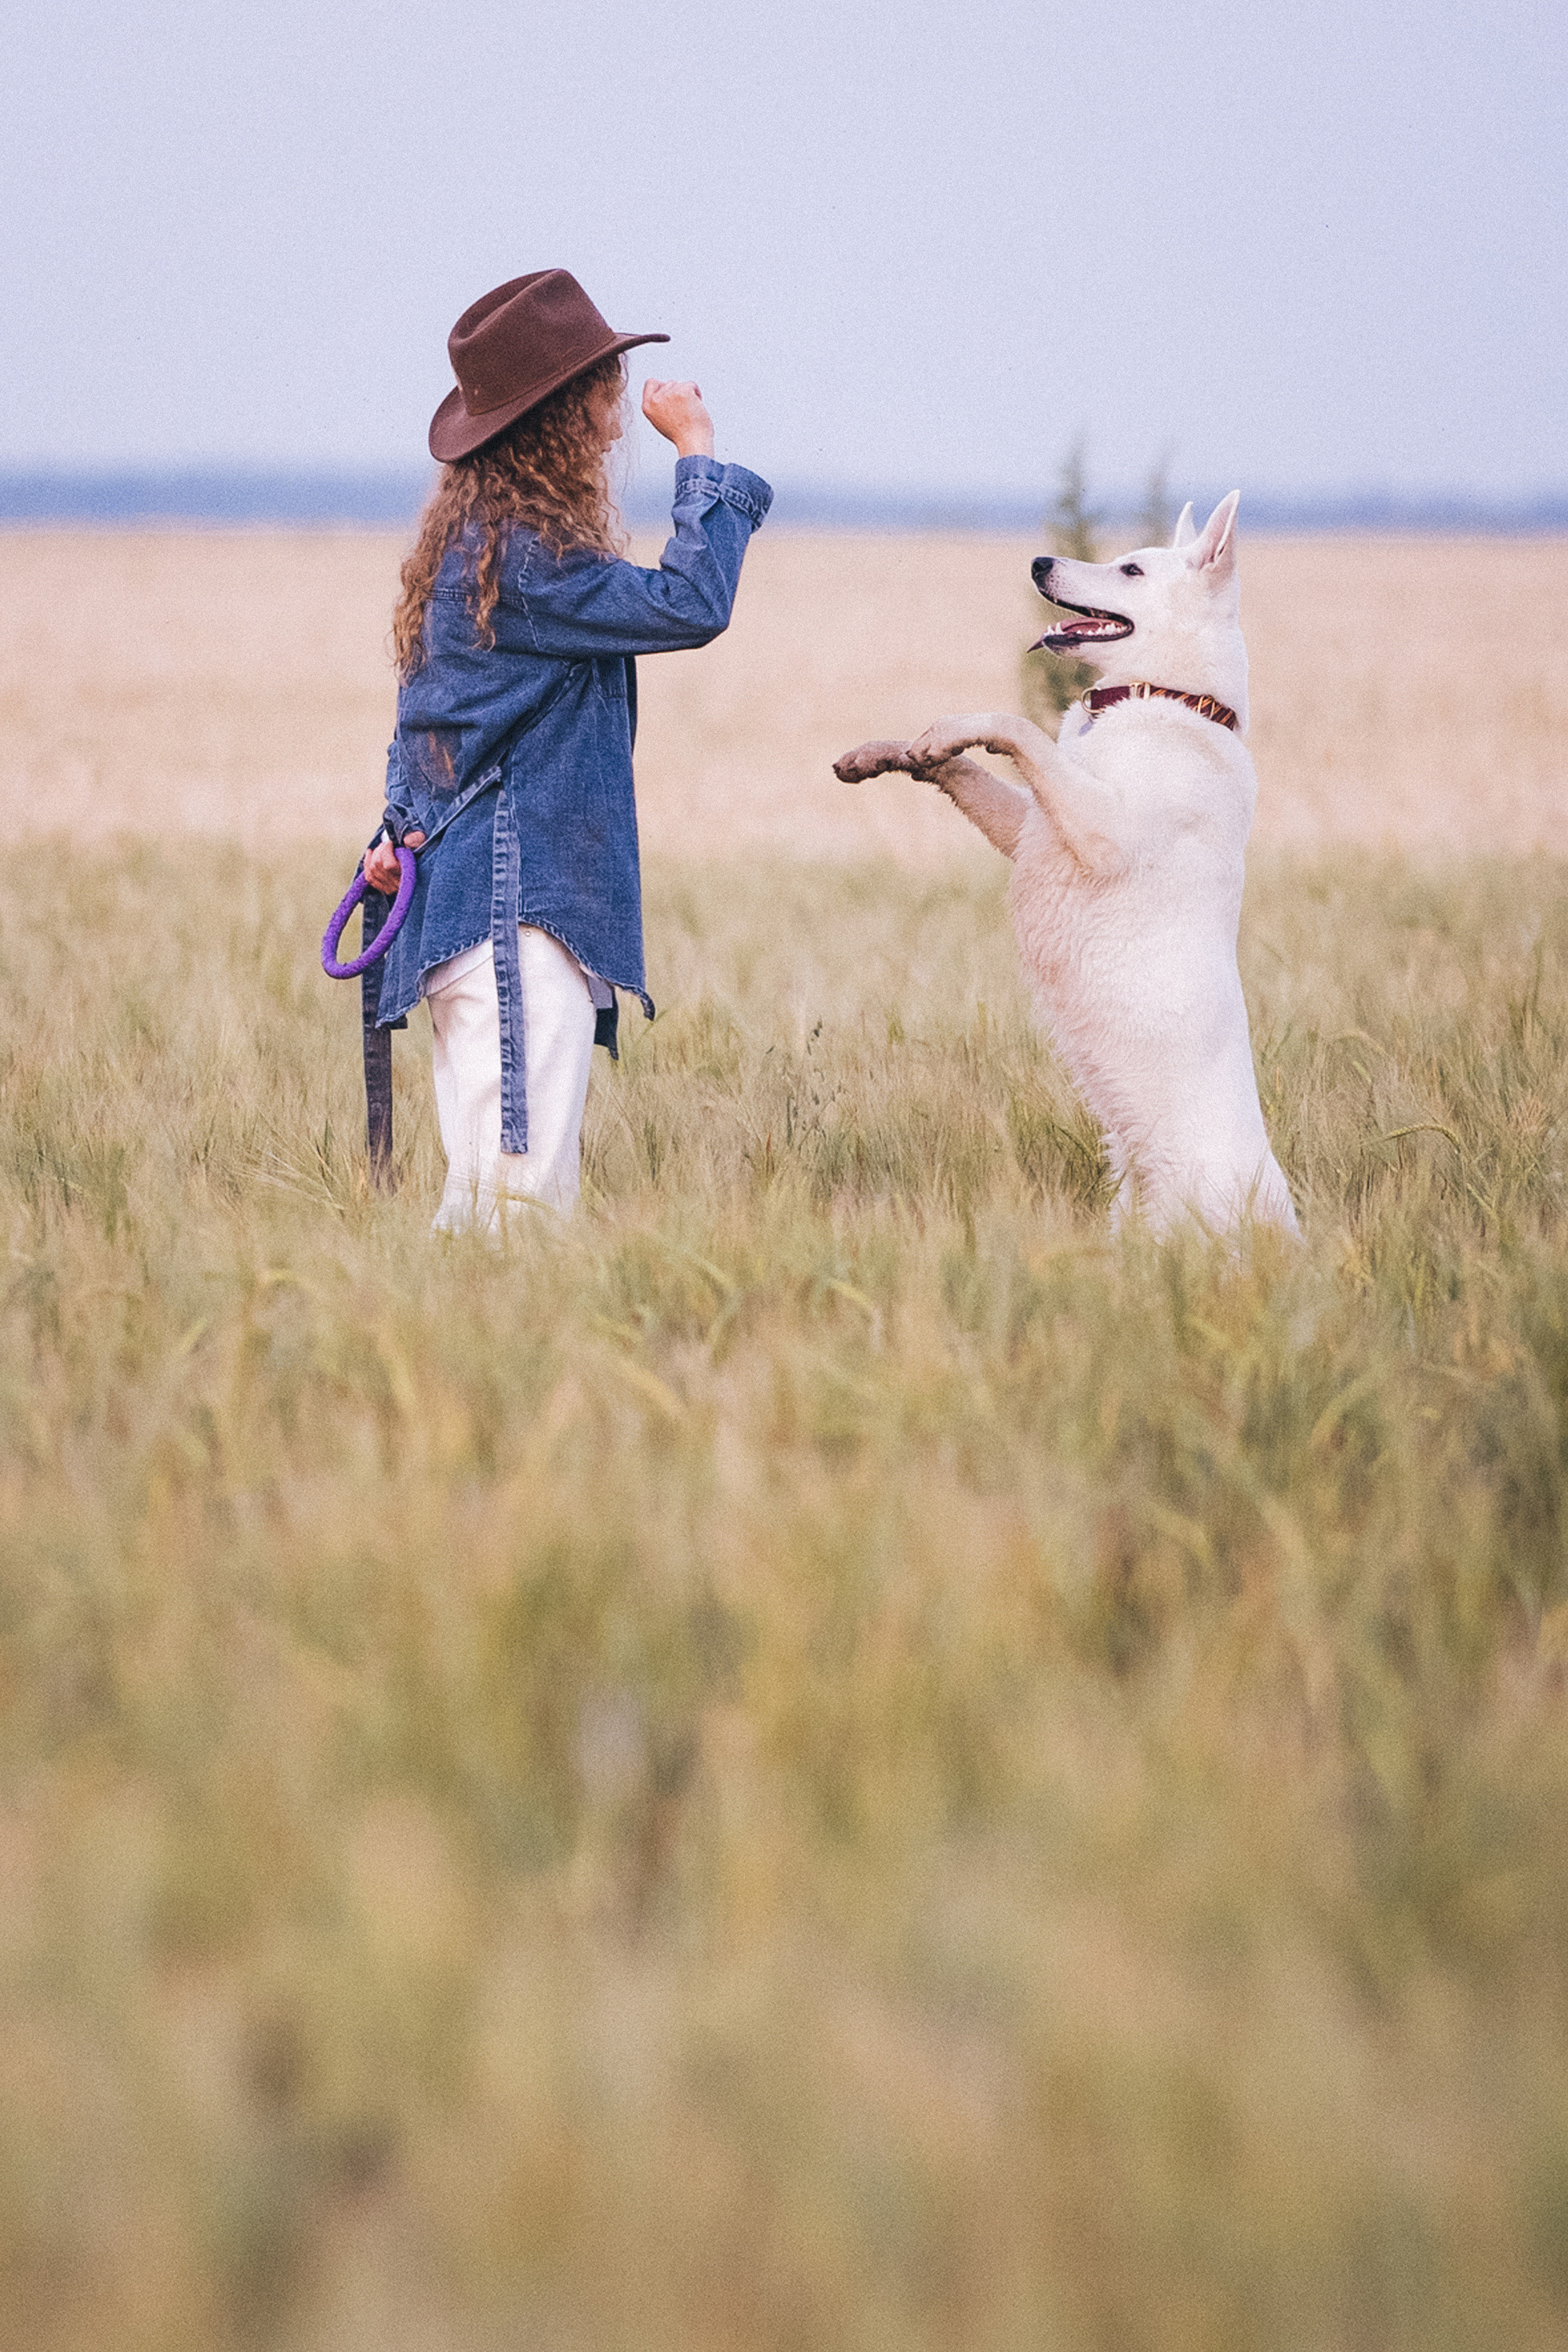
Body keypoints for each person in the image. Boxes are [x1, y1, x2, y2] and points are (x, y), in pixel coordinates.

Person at [364, 268, 771, 1233]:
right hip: (517, 921)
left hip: (472, 915)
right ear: (557, 413)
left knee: (484, 1208)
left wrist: (397, 827)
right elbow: (688, 604)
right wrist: (701, 453)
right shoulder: (525, 556)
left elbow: (422, 728)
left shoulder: (473, 549)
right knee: (518, 1213)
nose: (616, 409)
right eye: (601, 384)